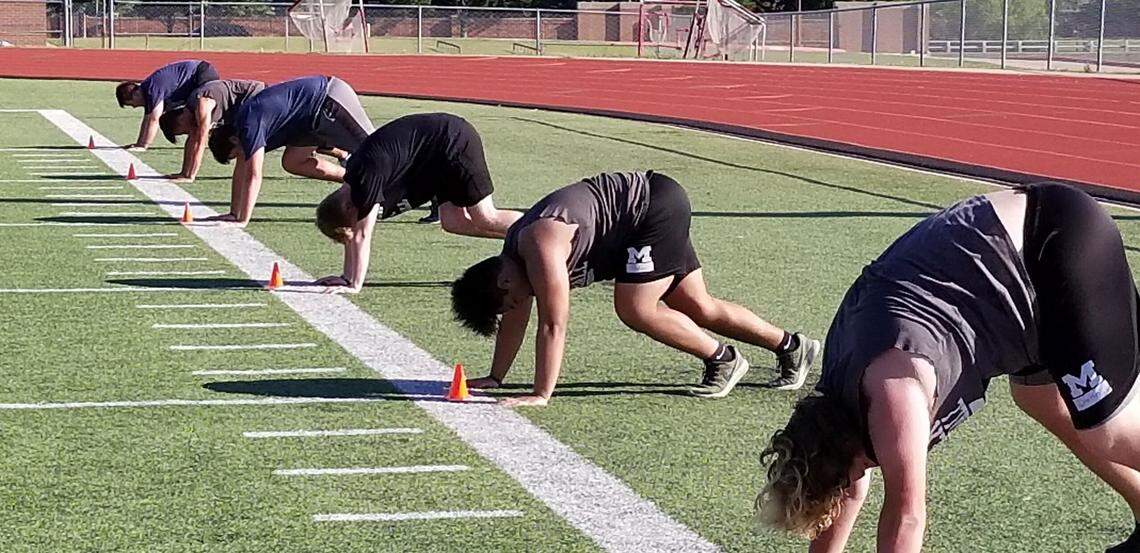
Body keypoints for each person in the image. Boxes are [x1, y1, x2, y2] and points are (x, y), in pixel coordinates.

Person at [756, 182, 1140, 553]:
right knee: (1038, 399)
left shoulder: (893, 390)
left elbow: (907, 517)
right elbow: (849, 490)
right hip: (1015, 281)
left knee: (1108, 431)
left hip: (1053, 241)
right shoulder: (836, 405)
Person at [449, 171, 819, 407]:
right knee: (698, 306)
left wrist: (541, 394)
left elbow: (553, 324)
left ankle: (723, 360)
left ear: (504, 281)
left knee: (634, 307)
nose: (519, 304)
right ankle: (792, 347)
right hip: (645, 214)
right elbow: (515, 319)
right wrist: (497, 377)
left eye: (512, 300)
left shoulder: (541, 246)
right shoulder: (512, 261)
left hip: (650, 211)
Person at [313, 113, 522, 292]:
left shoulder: (365, 177)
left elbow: (362, 234)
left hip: (454, 140)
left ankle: (535, 232)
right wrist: (345, 276)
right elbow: (355, 234)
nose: (357, 222)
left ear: (348, 208)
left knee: (485, 216)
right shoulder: (352, 185)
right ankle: (521, 243)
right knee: (453, 222)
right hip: (435, 160)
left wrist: (354, 284)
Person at [207, 75, 373, 226]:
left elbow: (253, 175)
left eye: (236, 153)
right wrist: (234, 213)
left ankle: (391, 187)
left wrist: (243, 219)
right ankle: (353, 181)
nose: (241, 157)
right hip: (307, 123)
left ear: (233, 139)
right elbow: (241, 170)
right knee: (293, 162)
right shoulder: (240, 133)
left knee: (375, 150)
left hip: (327, 98)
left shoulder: (249, 125)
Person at [158, 79, 266, 183]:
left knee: (245, 141)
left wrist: (190, 175)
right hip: (244, 105)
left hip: (257, 96)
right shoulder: (192, 111)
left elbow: (201, 140)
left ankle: (251, 177)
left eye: (183, 131)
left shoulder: (202, 103)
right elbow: (192, 139)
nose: (187, 132)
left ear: (180, 120)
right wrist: (184, 172)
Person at [115, 59, 219, 151]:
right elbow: (147, 118)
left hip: (201, 74)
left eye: (132, 103)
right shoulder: (147, 89)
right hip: (198, 75)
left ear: (136, 94)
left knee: (197, 114)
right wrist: (139, 143)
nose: (134, 107)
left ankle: (204, 140)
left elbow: (154, 118)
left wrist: (144, 145)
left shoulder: (152, 89)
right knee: (194, 115)